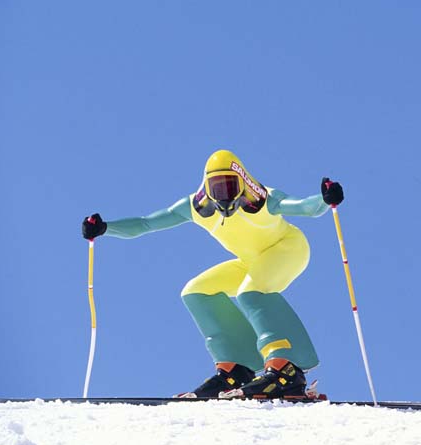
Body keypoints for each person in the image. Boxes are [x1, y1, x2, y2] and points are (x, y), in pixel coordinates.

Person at [81, 149, 344, 399]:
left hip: (288, 250)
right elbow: (146, 223)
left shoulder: (263, 199)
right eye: (217, 188)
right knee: (196, 292)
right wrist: (105, 228)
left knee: (250, 292)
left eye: (230, 187)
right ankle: (236, 369)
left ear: (243, 183)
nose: (224, 196)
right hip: (252, 261)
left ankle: (286, 368)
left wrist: (324, 198)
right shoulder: (195, 207)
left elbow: (304, 207)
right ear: (206, 188)